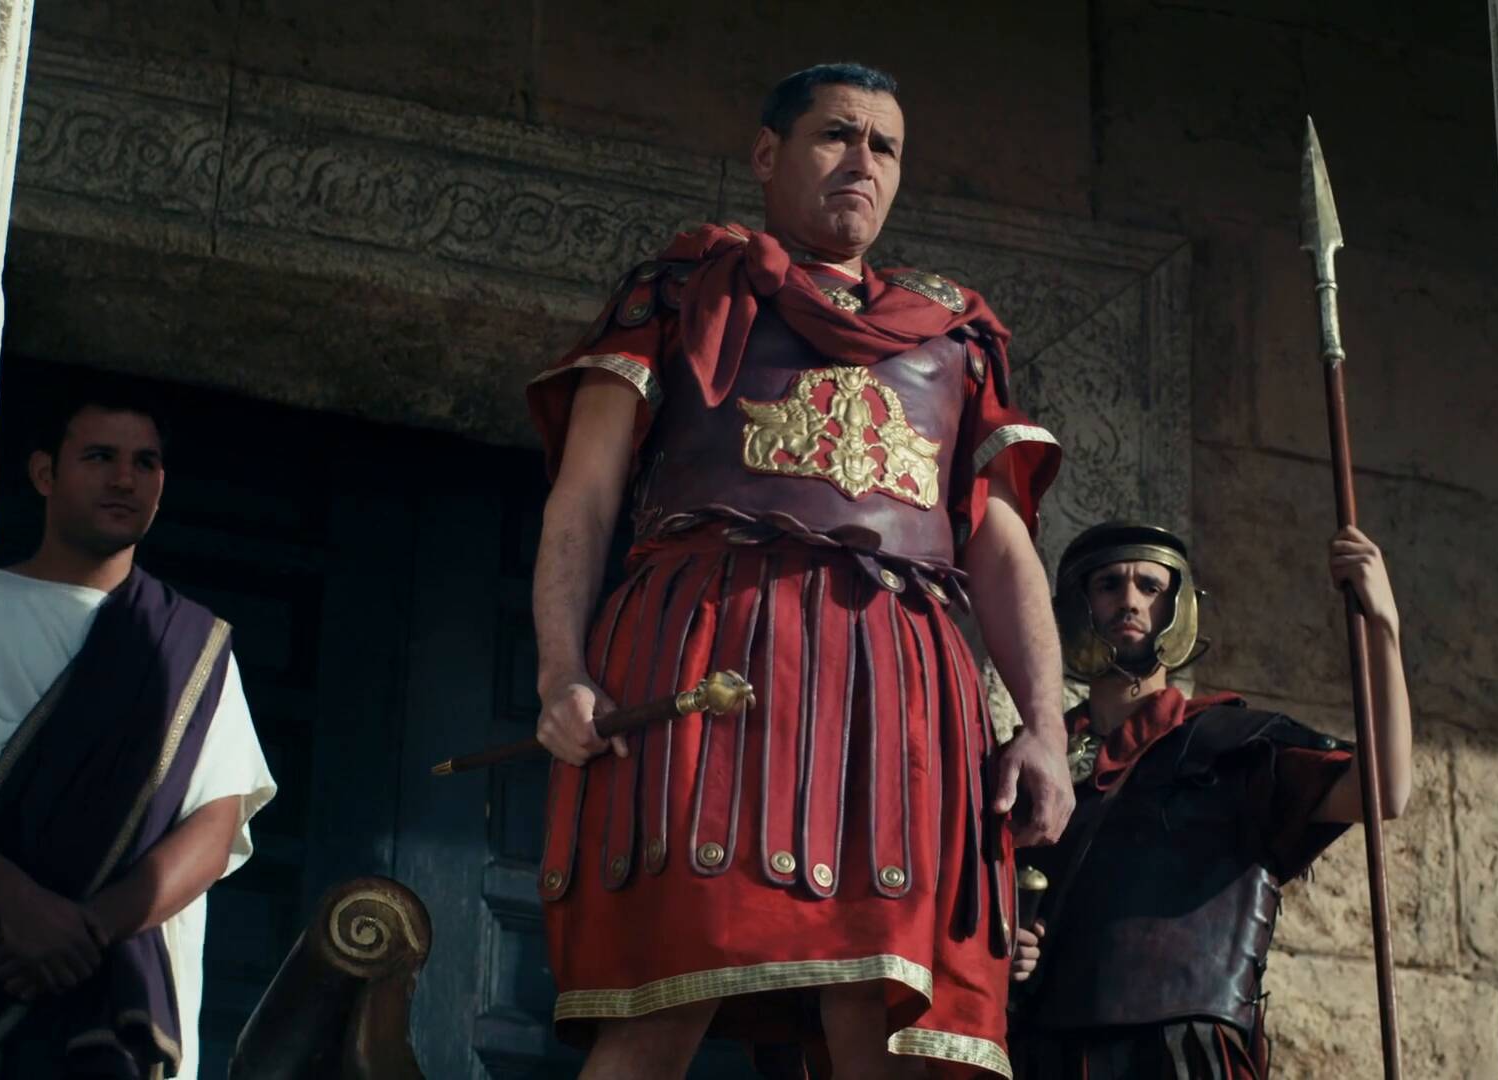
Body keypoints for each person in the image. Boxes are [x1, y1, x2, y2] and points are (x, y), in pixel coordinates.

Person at [526, 61, 1074, 1078]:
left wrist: (1044, 727)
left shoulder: (956, 335)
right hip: (711, 653)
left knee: (884, 1015)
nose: (863, 161)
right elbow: (585, 496)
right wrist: (563, 671)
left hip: (903, 684)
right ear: (767, 155)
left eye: (885, 146)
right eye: (837, 135)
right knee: (661, 996)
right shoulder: (682, 292)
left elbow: (1000, 544)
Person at [1006, 522, 1412, 1079]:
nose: (1130, 600)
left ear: (1180, 607)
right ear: (1077, 606)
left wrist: (1383, 626)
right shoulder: (1029, 770)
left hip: (1182, 1059)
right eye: (1108, 585)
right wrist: (1005, 950)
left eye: (1151, 587)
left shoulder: (1232, 747)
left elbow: (1382, 790)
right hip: (1048, 1061)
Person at [0, 388, 277, 1079]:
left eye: (144, 463)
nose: (125, 479)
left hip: (118, 1009)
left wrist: (86, 931)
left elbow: (216, 823)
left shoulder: (191, 646)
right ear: (44, 474)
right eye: (99, 457)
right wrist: (15, 901)